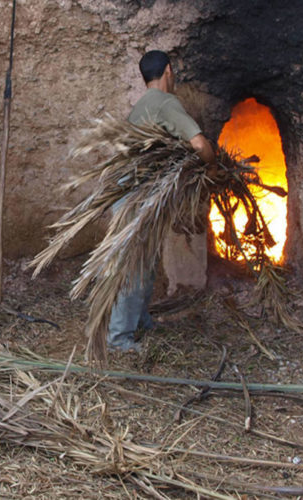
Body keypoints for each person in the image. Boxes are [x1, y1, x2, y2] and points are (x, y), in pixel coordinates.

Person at [108, 50, 216, 352]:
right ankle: (119, 339)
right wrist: (212, 163)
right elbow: (198, 143)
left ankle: (140, 320)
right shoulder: (165, 103)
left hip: (134, 193)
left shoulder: (142, 105)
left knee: (147, 262)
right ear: (168, 70)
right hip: (136, 196)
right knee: (135, 267)